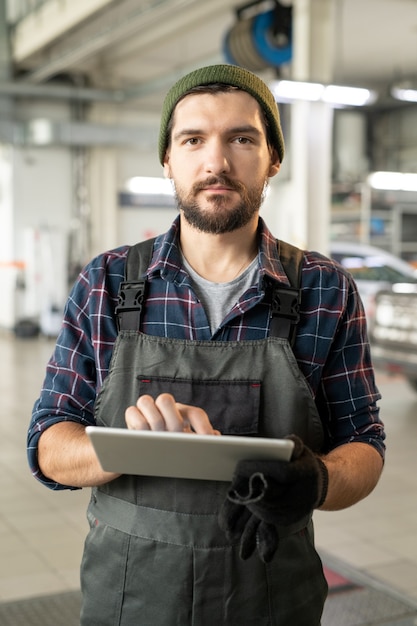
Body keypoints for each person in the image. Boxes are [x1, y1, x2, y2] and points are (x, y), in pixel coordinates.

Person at [28, 64, 385, 626]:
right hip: (131, 598)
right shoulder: (108, 282)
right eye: (192, 139)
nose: (216, 162)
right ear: (168, 159)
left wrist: (316, 479)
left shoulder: (324, 289)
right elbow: (49, 442)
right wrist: (128, 445)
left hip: (270, 599)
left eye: (242, 138)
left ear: (273, 159)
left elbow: (363, 444)